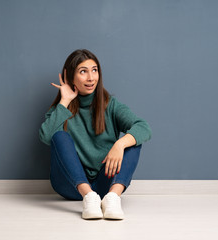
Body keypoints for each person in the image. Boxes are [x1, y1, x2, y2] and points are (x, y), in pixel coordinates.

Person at [39, 49, 152, 220]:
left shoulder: (111, 105)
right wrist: (65, 101)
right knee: (59, 136)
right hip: (70, 185)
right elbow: (46, 136)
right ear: (70, 77)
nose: (91, 78)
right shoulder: (62, 109)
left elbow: (144, 127)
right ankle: (89, 197)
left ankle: (113, 198)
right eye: (83, 71)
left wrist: (119, 144)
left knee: (133, 140)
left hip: (104, 184)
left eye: (94, 70)